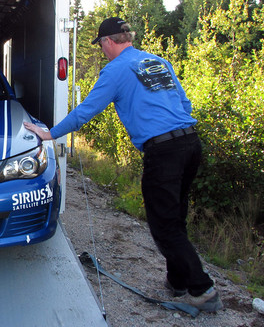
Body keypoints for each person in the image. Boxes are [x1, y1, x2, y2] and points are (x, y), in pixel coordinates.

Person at [23, 17, 222, 312]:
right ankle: (178, 280)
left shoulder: (115, 70)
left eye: (101, 45)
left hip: (163, 150)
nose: (102, 51)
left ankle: (202, 289)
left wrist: (49, 133)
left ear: (107, 41)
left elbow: (86, 110)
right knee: (175, 215)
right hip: (190, 143)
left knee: (164, 224)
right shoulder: (156, 61)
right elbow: (184, 103)